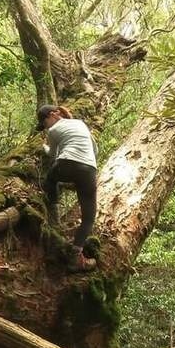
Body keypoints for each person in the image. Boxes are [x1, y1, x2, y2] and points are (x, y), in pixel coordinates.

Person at [37, 104, 97, 272]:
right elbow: (95, 149)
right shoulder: (80, 123)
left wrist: (44, 147)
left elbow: (53, 155)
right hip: (89, 169)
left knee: (49, 180)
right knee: (89, 218)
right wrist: (87, 170)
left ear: (52, 115)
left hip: (66, 164)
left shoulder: (53, 130)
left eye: (44, 123)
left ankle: (54, 217)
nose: (45, 127)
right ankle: (76, 257)